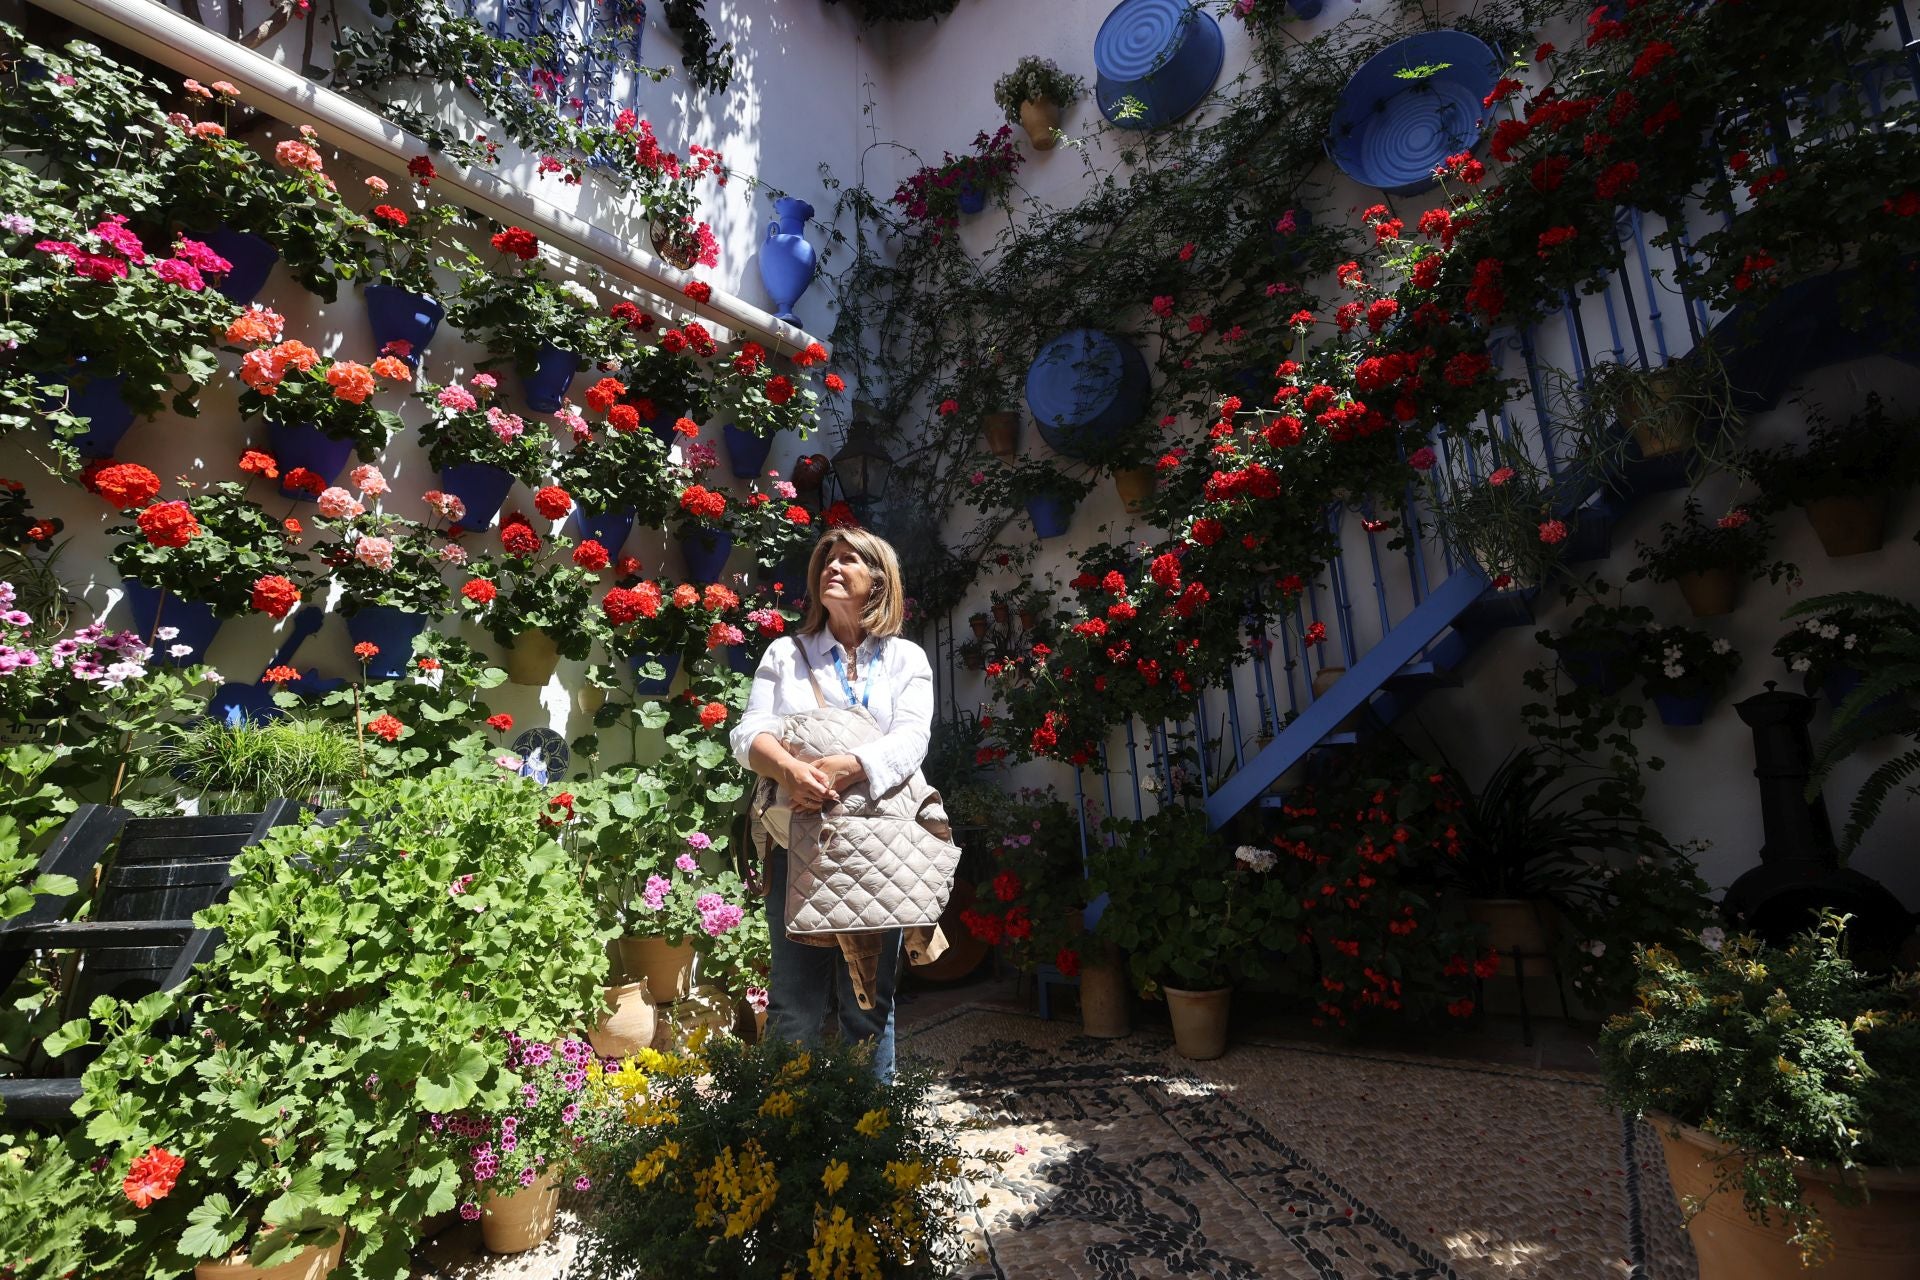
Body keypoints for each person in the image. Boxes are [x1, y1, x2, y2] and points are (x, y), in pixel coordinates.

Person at [730, 527, 932, 1079]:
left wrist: (846, 767)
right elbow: (750, 734)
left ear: (879, 580)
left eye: (849, 560)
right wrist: (792, 770)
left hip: (876, 849)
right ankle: (785, 1137)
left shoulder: (905, 659)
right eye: (826, 561)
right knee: (793, 1005)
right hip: (799, 845)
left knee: (868, 1007)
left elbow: (913, 739)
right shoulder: (785, 654)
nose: (833, 569)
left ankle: (869, 1145)